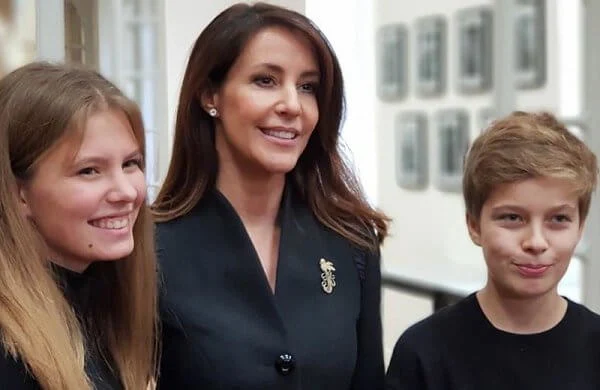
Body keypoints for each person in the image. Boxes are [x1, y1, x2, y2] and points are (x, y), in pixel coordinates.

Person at [152, 2, 390, 389]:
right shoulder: (149, 249)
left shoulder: (352, 242)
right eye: (265, 80)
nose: (292, 106)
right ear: (210, 94)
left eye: (308, 87)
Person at [385, 111, 600, 390]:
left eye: (558, 219)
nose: (536, 242)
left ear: (580, 227)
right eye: (512, 218)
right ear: (474, 225)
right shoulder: (425, 353)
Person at [0, 62, 159, 389]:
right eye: (89, 171)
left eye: (131, 164)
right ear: (19, 195)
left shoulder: (104, 305)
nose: (127, 192)